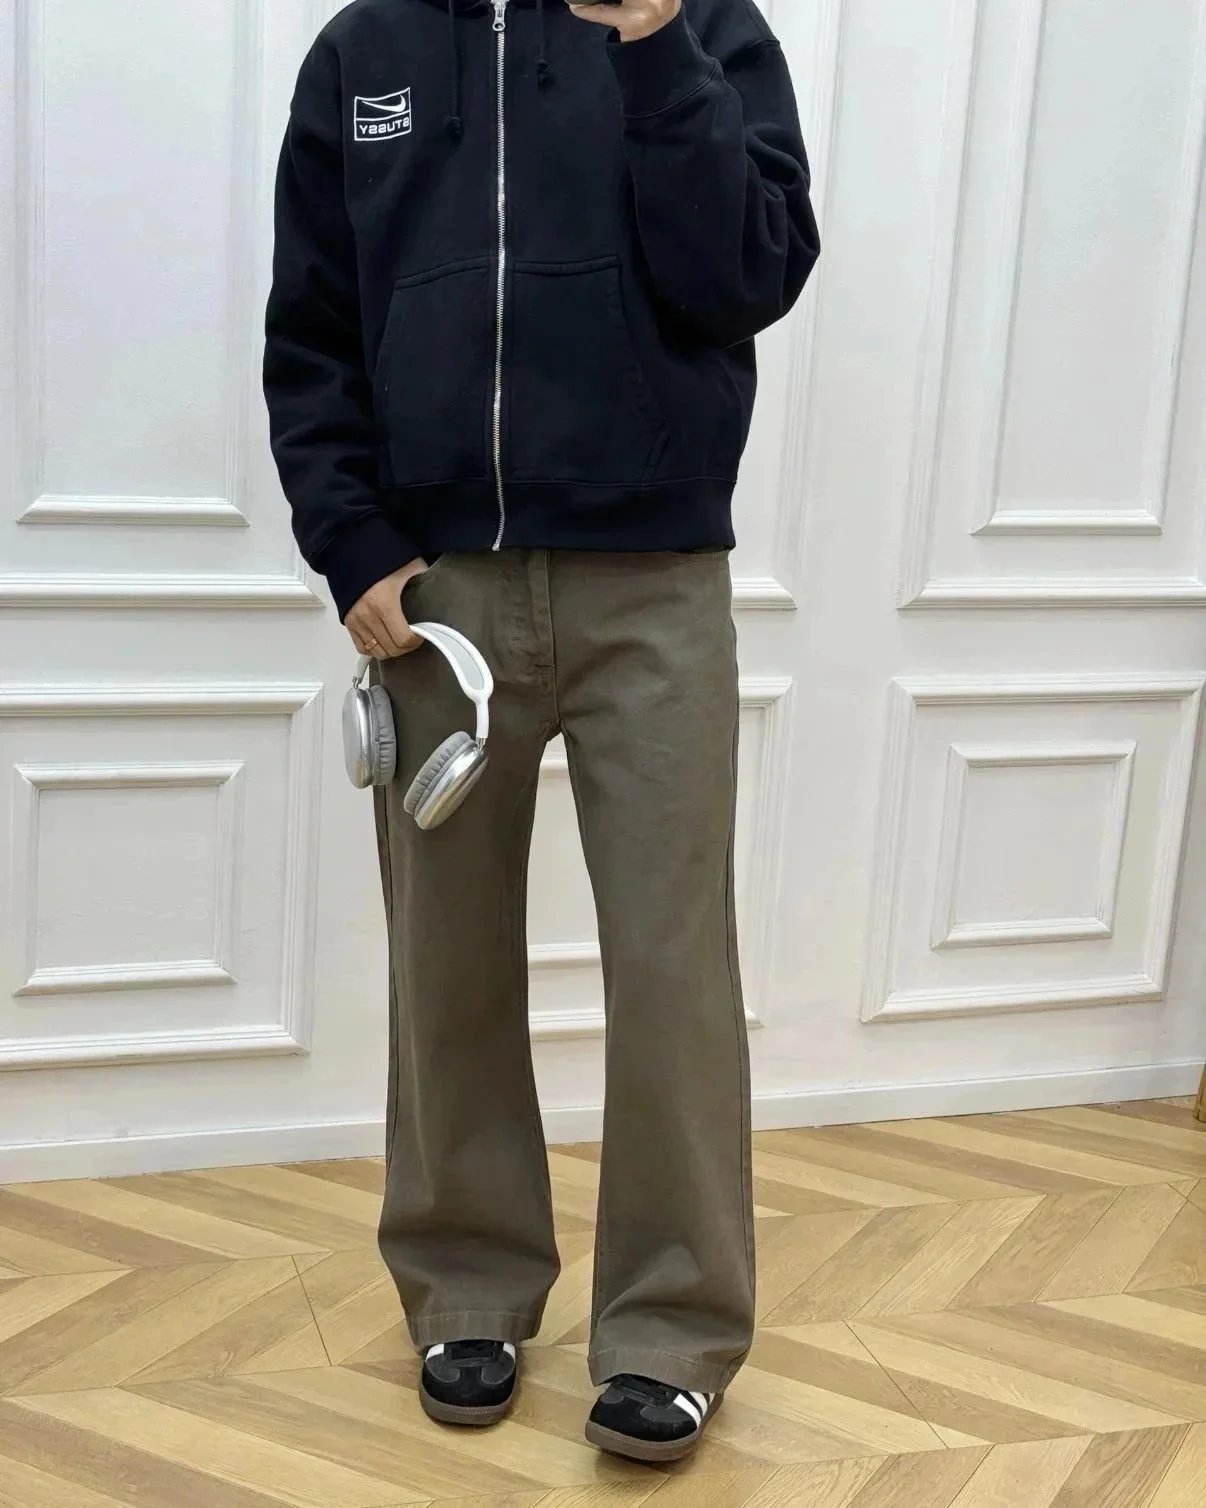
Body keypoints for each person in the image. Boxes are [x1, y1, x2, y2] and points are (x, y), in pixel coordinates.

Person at [264, 0, 818, 1464]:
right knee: (442, 958)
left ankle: (672, 1329)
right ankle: (466, 1287)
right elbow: (311, 325)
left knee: (671, 964)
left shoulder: (703, 26)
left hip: (656, 583)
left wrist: (657, 53)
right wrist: (352, 541)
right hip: (436, 593)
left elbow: (750, 274)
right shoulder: (365, 50)